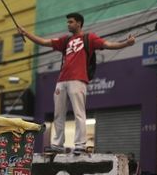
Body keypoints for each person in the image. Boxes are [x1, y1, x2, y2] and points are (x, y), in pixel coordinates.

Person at [18, 12, 135, 154]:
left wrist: (126, 43)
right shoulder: (65, 41)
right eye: (68, 22)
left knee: (79, 113)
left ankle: (80, 144)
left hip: (78, 79)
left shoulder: (89, 38)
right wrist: (26, 33)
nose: (68, 24)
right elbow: (44, 42)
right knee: (58, 114)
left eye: (71, 22)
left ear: (79, 23)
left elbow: (108, 44)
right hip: (61, 81)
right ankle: (57, 145)